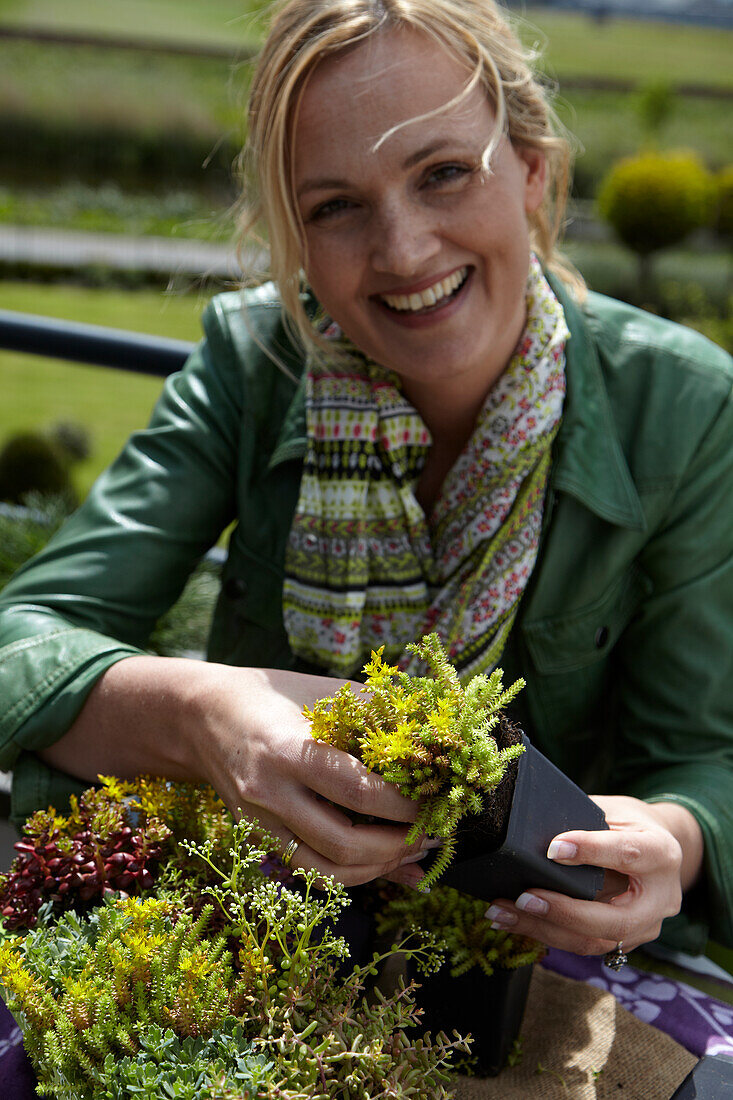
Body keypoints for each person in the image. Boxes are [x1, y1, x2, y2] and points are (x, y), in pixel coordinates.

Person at [0, 0, 730, 964]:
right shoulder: (254, 362)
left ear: (532, 168)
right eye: (335, 206)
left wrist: (670, 842)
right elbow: (23, 644)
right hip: (253, 945)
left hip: (532, 972)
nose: (403, 251)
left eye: (442, 174)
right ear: (293, 236)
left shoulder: (683, 408)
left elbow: (702, 758)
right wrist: (201, 718)